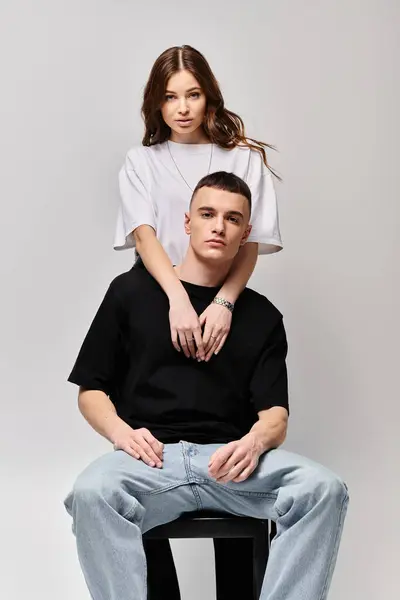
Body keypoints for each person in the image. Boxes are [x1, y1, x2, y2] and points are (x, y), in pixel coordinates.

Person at [65, 172, 349, 600]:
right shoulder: (130, 292)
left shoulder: (262, 316)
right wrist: (121, 434)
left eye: (232, 218)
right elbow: (90, 391)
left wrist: (253, 445)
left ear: (246, 233)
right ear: (187, 222)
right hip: (151, 463)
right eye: (208, 214)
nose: (219, 226)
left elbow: (275, 416)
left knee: (323, 490)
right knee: (91, 493)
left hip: (233, 465)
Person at [114, 44, 283, 597]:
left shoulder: (244, 158)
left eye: (192, 93)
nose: (182, 107)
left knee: (229, 443)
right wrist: (176, 299)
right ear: (154, 104)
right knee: (150, 449)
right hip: (158, 301)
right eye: (169, 96)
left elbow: (249, 241)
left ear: (209, 94)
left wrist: (226, 303)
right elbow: (144, 235)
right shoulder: (141, 162)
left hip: (220, 303)